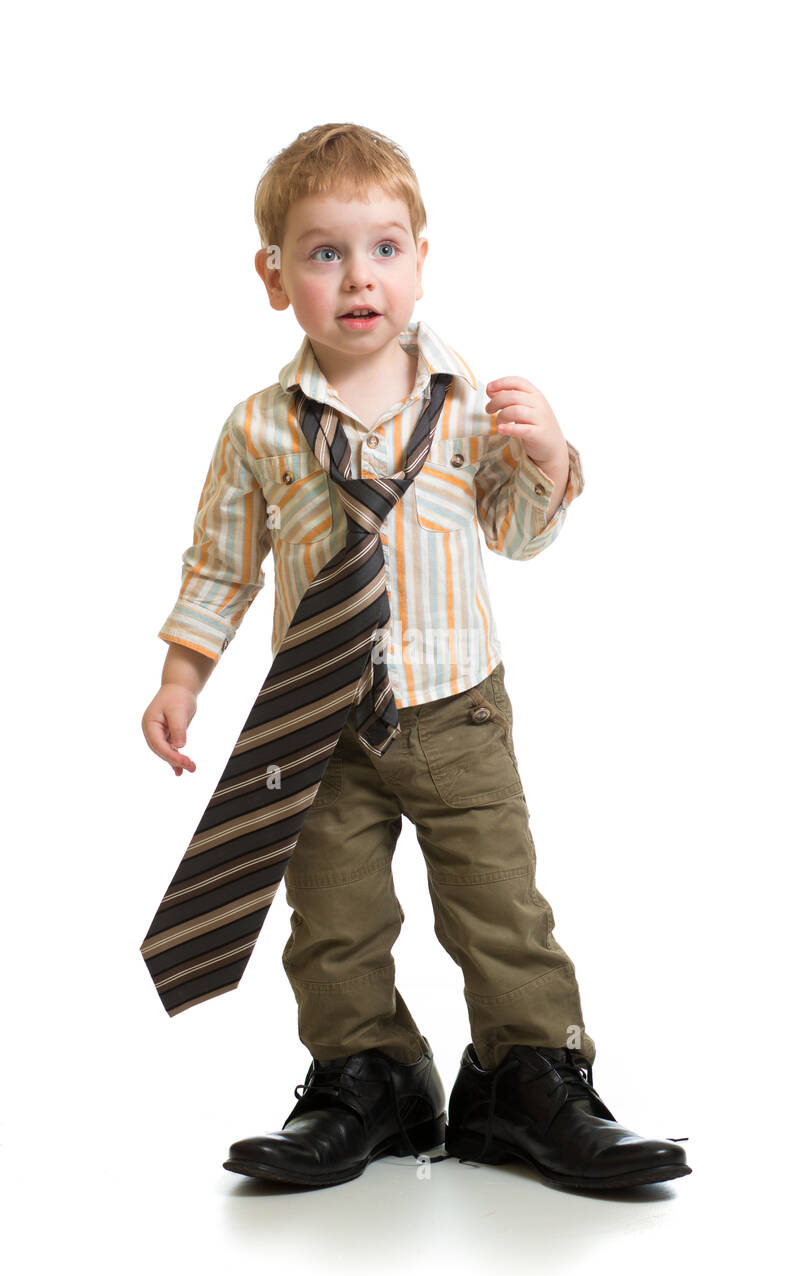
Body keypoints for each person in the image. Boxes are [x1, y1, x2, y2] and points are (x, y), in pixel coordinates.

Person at [141, 122, 691, 1193]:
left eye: (385, 248)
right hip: (320, 721)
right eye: (324, 252)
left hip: (459, 714)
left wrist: (549, 457)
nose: (359, 278)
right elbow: (220, 567)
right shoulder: (260, 429)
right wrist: (181, 675)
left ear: (422, 260)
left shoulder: (461, 401)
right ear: (274, 278)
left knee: (499, 902)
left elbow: (516, 534)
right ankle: (368, 1076)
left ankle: (526, 1075)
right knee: (333, 914)